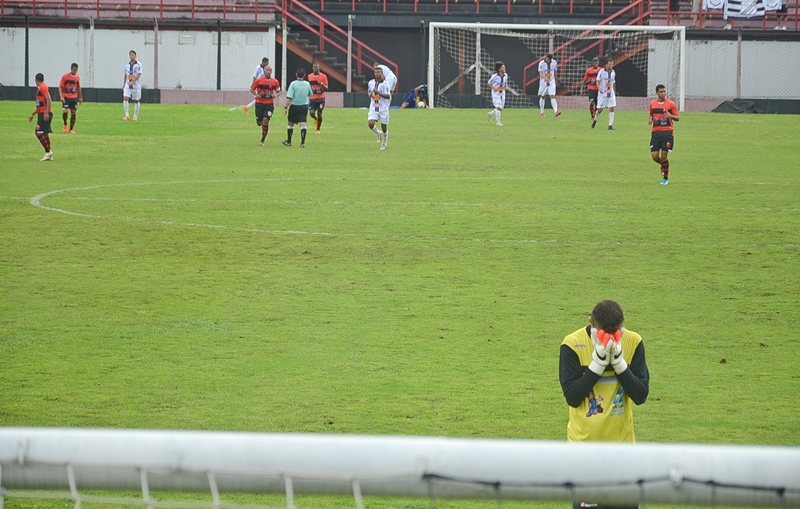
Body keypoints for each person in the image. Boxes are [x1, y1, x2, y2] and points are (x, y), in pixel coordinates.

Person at [559, 299, 649, 509]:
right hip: (583, 454)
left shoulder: (633, 342)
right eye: (603, 333)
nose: (609, 339)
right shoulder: (572, 344)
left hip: (623, 454)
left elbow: (641, 395)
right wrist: (597, 365)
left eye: (615, 333)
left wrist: (620, 365)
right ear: (591, 323)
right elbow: (572, 397)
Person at [648, 84, 680, 185]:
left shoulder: (671, 104)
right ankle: (663, 165)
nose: (663, 93)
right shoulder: (652, 104)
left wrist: (670, 115)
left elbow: (677, 118)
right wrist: (650, 119)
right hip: (656, 133)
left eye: (664, 92)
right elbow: (651, 114)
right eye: (661, 92)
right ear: (657, 93)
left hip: (667, 133)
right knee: (654, 156)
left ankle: (665, 178)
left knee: (664, 155)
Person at [249, 65, 281, 146]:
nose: (268, 72)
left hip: (269, 105)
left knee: (265, 121)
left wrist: (275, 95)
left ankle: (262, 140)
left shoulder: (275, 81)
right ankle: (261, 125)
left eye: (270, 70)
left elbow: (279, 91)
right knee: (259, 123)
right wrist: (256, 95)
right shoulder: (259, 81)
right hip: (259, 104)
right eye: (267, 70)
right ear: (264, 71)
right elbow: (252, 89)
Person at [282, 67, 313, 148]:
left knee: (290, 123)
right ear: (304, 75)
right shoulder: (307, 84)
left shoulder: (293, 84)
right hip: (304, 106)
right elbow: (310, 94)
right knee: (303, 123)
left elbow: (289, 97)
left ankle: (289, 141)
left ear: (296, 74)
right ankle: (302, 143)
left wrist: (285, 107)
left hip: (295, 106)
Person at [28, 72, 54, 161]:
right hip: (41, 113)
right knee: (45, 134)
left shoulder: (43, 87)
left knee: (38, 132)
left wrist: (46, 113)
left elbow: (49, 100)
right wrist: (33, 114)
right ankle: (49, 154)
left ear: (36, 80)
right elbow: (40, 105)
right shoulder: (41, 88)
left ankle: (48, 152)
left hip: (44, 114)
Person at [367, 66, 391, 150]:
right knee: (370, 124)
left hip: (383, 108)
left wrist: (378, 93)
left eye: (379, 72)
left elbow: (388, 96)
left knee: (384, 127)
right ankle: (378, 133)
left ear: (382, 73)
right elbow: (369, 92)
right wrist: (370, 94)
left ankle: (384, 142)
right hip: (374, 107)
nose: (377, 74)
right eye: (375, 72)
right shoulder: (371, 82)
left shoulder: (385, 84)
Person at [593, 58, 616, 130]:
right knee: (600, 110)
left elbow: (613, 82)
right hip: (603, 94)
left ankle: (610, 125)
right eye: (610, 64)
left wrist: (614, 91)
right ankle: (595, 119)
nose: (611, 65)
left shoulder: (613, 72)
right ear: (606, 65)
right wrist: (599, 89)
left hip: (611, 94)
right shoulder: (601, 72)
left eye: (612, 64)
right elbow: (597, 81)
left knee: (612, 108)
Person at [59, 63, 82, 134]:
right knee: (65, 111)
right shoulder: (65, 77)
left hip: (74, 98)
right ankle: (65, 124)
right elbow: (60, 86)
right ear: (71, 69)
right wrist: (61, 96)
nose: (75, 71)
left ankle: (71, 129)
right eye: (74, 70)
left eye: (76, 70)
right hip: (66, 97)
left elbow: (78, 88)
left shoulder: (77, 78)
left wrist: (80, 97)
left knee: (73, 112)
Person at [307, 62, 329, 134]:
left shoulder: (323, 76)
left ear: (319, 68)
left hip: (321, 98)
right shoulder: (309, 76)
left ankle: (318, 129)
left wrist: (322, 84)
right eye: (314, 67)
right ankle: (315, 118)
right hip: (313, 98)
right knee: (311, 113)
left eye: (316, 67)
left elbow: (327, 87)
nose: (315, 69)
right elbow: (309, 86)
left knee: (320, 113)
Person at [537, 53, 561, 117]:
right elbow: (540, 73)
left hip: (551, 82)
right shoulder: (541, 63)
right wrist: (545, 77)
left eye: (550, 60)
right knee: (543, 96)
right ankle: (542, 112)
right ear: (546, 58)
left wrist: (556, 80)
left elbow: (555, 72)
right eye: (548, 59)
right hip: (543, 83)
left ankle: (556, 111)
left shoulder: (554, 62)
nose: (549, 61)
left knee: (552, 96)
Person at [486, 61, 508, 127]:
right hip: (496, 93)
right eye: (502, 67)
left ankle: (490, 114)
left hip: (502, 93)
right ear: (499, 69)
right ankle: (498, 122)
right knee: (498, 107)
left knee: (501, 108)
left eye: (504, 67)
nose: (504, 68)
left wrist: (506, 86)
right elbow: (489, 83)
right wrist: (493, 88)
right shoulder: (494, 76)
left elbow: (505, 83)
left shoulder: (506, 75)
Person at [123, 50, 142, 121]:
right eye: (130, 55)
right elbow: (125, 75)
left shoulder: (139, 65)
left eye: (133, 55)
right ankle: (127, 115)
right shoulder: (127, 65)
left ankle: (135, 116)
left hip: (136, 86)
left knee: (136, 100)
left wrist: (134, 81)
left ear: (135, 56)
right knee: (125, 98)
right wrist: (124, 84)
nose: (131, 56)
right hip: (128, 85)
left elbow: (139, 74)